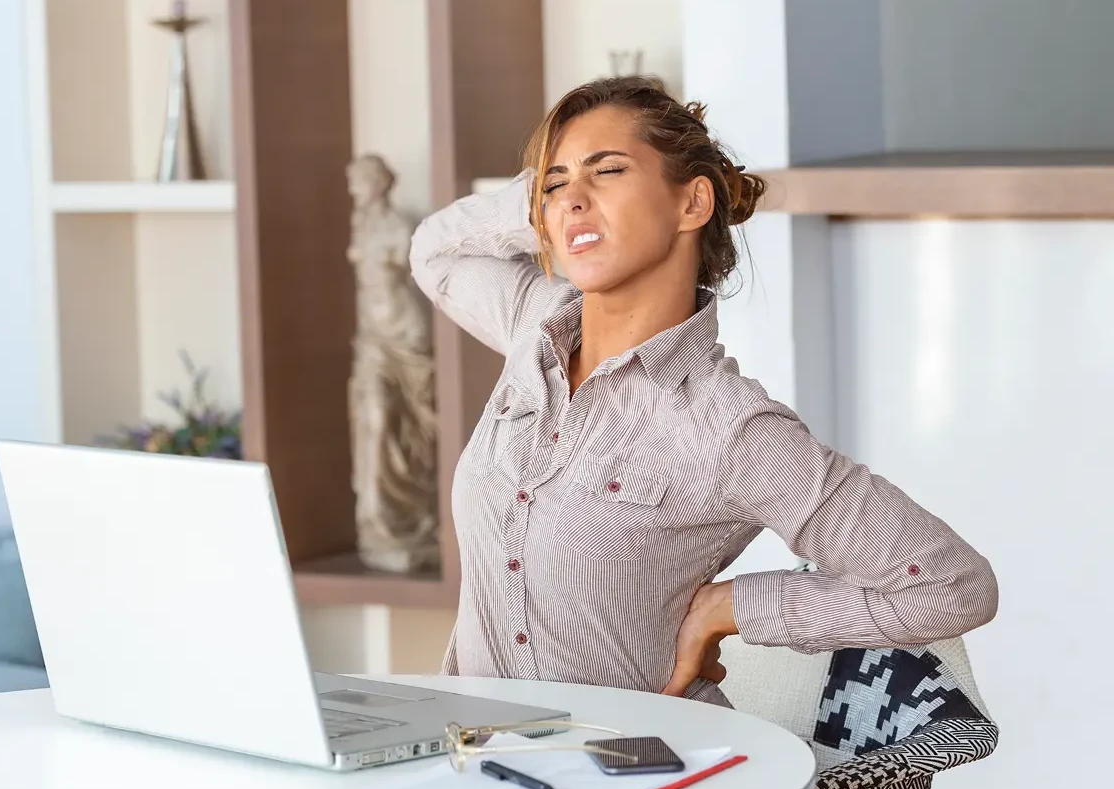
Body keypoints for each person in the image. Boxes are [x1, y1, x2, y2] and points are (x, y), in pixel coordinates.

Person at [408, 76, 998, 707]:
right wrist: (545, 202)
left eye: (607, 172)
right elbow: (434, 252)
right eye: (556, 184)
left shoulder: (729, 427)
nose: (572, 199)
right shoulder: (534, 324)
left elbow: (952, 583)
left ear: (692, 203)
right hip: (471, 768)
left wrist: (734, 604)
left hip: (637, 787)